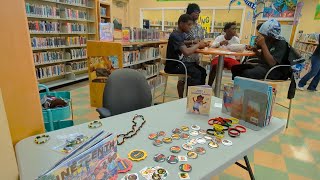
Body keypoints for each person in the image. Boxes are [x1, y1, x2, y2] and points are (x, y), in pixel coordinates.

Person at [164, 14, 207, 88]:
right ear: (181, 24)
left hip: (179, 63)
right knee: (197, 73)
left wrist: (193, 42)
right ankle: (190, 97)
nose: (191, 27)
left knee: (203, 71)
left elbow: (182, 43)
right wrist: (199, 45)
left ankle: (199, 94)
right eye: (189, 25)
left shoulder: (180, 34)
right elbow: (186, 52)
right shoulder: (175, 35)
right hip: (173, 66)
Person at [176, 3, 207, 98]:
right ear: (190, 12)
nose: (198, 14)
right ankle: (181, 98)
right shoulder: (182, 27)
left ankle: (196, 96)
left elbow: (201, 40)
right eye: (196, 12)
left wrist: (202, 44)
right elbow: (180, 41)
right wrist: (195, 43)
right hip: (183, 59)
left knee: (201, 73)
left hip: (195, 59)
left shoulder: (199, 27)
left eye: (199, 12)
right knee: (182, 80)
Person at [208, 22, 240, 86]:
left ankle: (235, 86)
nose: (235, 30)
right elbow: (211, 46)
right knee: (215, 66)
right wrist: (220, 43)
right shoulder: (219, 38)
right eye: (233, 29)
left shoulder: (236, 39)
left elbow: (238, 50)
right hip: (218, 57)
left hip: (231, 58)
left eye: (235, 29)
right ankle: (209, 85)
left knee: (238, 68)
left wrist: (231, 46)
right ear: (226, 30)